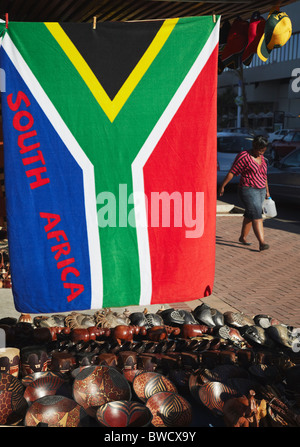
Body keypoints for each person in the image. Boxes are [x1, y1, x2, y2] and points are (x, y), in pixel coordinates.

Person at [218, 135, 270, 251]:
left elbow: (264, 175)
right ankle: (262, 243)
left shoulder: (262, 158)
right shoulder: (244, 156)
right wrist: (223, 186)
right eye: (260, 150)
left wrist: (267, 191)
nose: (261, 153)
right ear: (255, 147)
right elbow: (233, 172)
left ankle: (242, 237)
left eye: (263, 151)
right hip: (248, 189)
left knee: (250, 213)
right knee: (257, 214)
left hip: (261, 190)